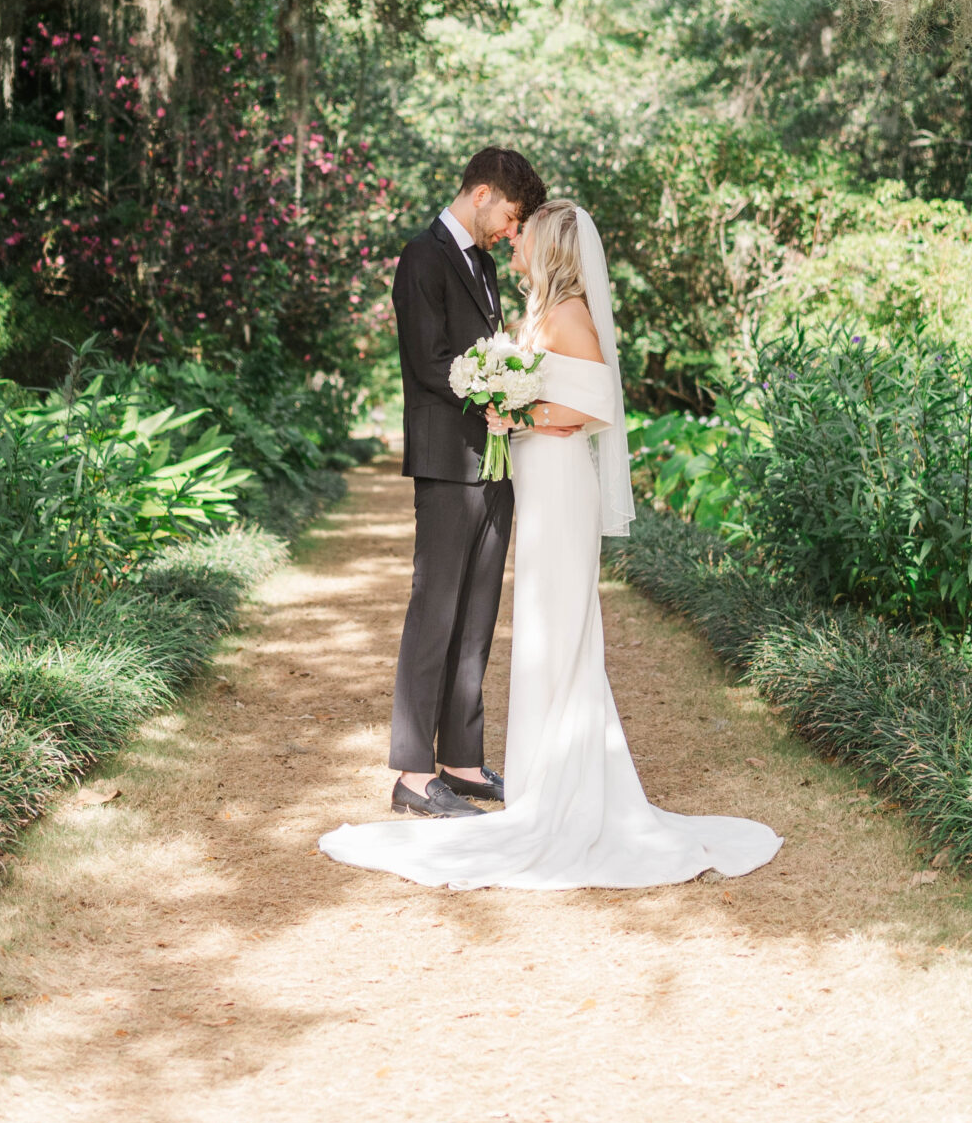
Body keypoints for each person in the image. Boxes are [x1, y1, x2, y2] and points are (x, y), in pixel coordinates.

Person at [322, 199, 784, 888]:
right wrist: (511, 400)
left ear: (551, 249)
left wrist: (521, 410)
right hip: (538, 492)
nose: (513, 243)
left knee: (564, 631)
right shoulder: (538, 314)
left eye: (524, 237)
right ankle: (543, 784)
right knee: (541, 630)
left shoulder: (567, 312)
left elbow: (599, 403)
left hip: (564, 490)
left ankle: (569, 790)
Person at [377, 147, 546, 819]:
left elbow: (486, 350)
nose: (510, 232)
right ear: (481, 194)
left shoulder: (478, 262)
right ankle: (414, 774)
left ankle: (461, 759)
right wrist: (492, 395)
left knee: (477, 619)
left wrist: (510, 387)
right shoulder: (423, 256)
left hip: (494, 461)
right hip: (448, 463)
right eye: (508, 216)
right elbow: (429, 362)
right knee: (435, 613)